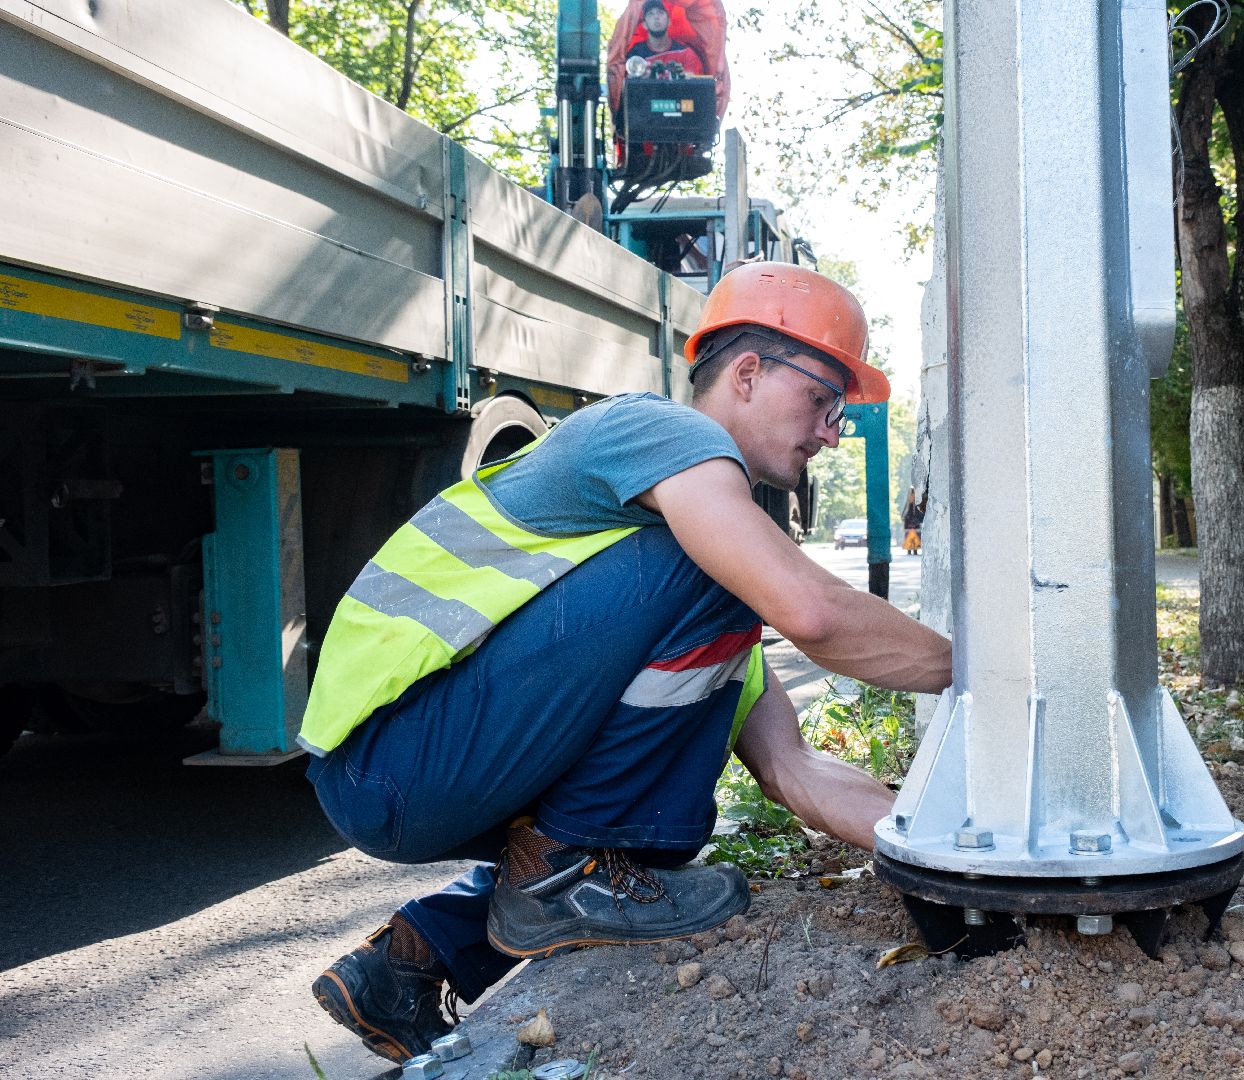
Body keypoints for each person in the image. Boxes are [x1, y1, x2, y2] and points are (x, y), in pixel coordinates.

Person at [302, 263, 953, 1065]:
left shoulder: (683, 616)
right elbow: (811, 611)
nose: (831, 431)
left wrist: (948, 847)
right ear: (748, 373)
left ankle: (413, 959)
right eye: (824, 399)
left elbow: (797, 772)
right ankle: (563, 877)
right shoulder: (660, 434)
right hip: (390, 752)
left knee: (652, 835)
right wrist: (982, 670)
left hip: (413, 768)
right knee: (627, 813)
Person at [626, 0, 705, 76]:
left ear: (669, 21)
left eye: (660, 12)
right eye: (650, 14)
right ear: (644, 25)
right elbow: (629, 85)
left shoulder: (685, 53)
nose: (656, 17)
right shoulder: (636, 55)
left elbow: (695, 85)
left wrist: (682, 77)